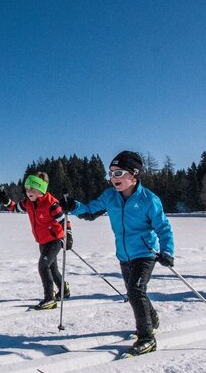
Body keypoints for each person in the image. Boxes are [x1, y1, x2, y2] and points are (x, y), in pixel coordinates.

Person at [58, 151, 174, 357]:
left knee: (136, 291)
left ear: (134, 174)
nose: (114, 178)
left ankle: (147, 338)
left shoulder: (149, 199)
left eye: (119, 173)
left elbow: (163, 228)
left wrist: (167, 251)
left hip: (145, 252)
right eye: (111, 173)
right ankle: (152, 321)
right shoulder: (110, 196)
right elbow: (89, 211)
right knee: (133, 292)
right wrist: (73, 206)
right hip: (123, 254)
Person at [0, 172, 73, 310]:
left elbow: (64, 221)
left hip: (55, 240)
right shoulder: (28, 203)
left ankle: (49, 299)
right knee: (52, 269)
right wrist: (4, 198)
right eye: (26, 188)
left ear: (41, 189)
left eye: (32, 189)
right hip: (42, 241)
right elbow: (14, 208)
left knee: (43, 265)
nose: (28, 192)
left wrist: (69, 236)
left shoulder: (51, 204)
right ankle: (64, 288)